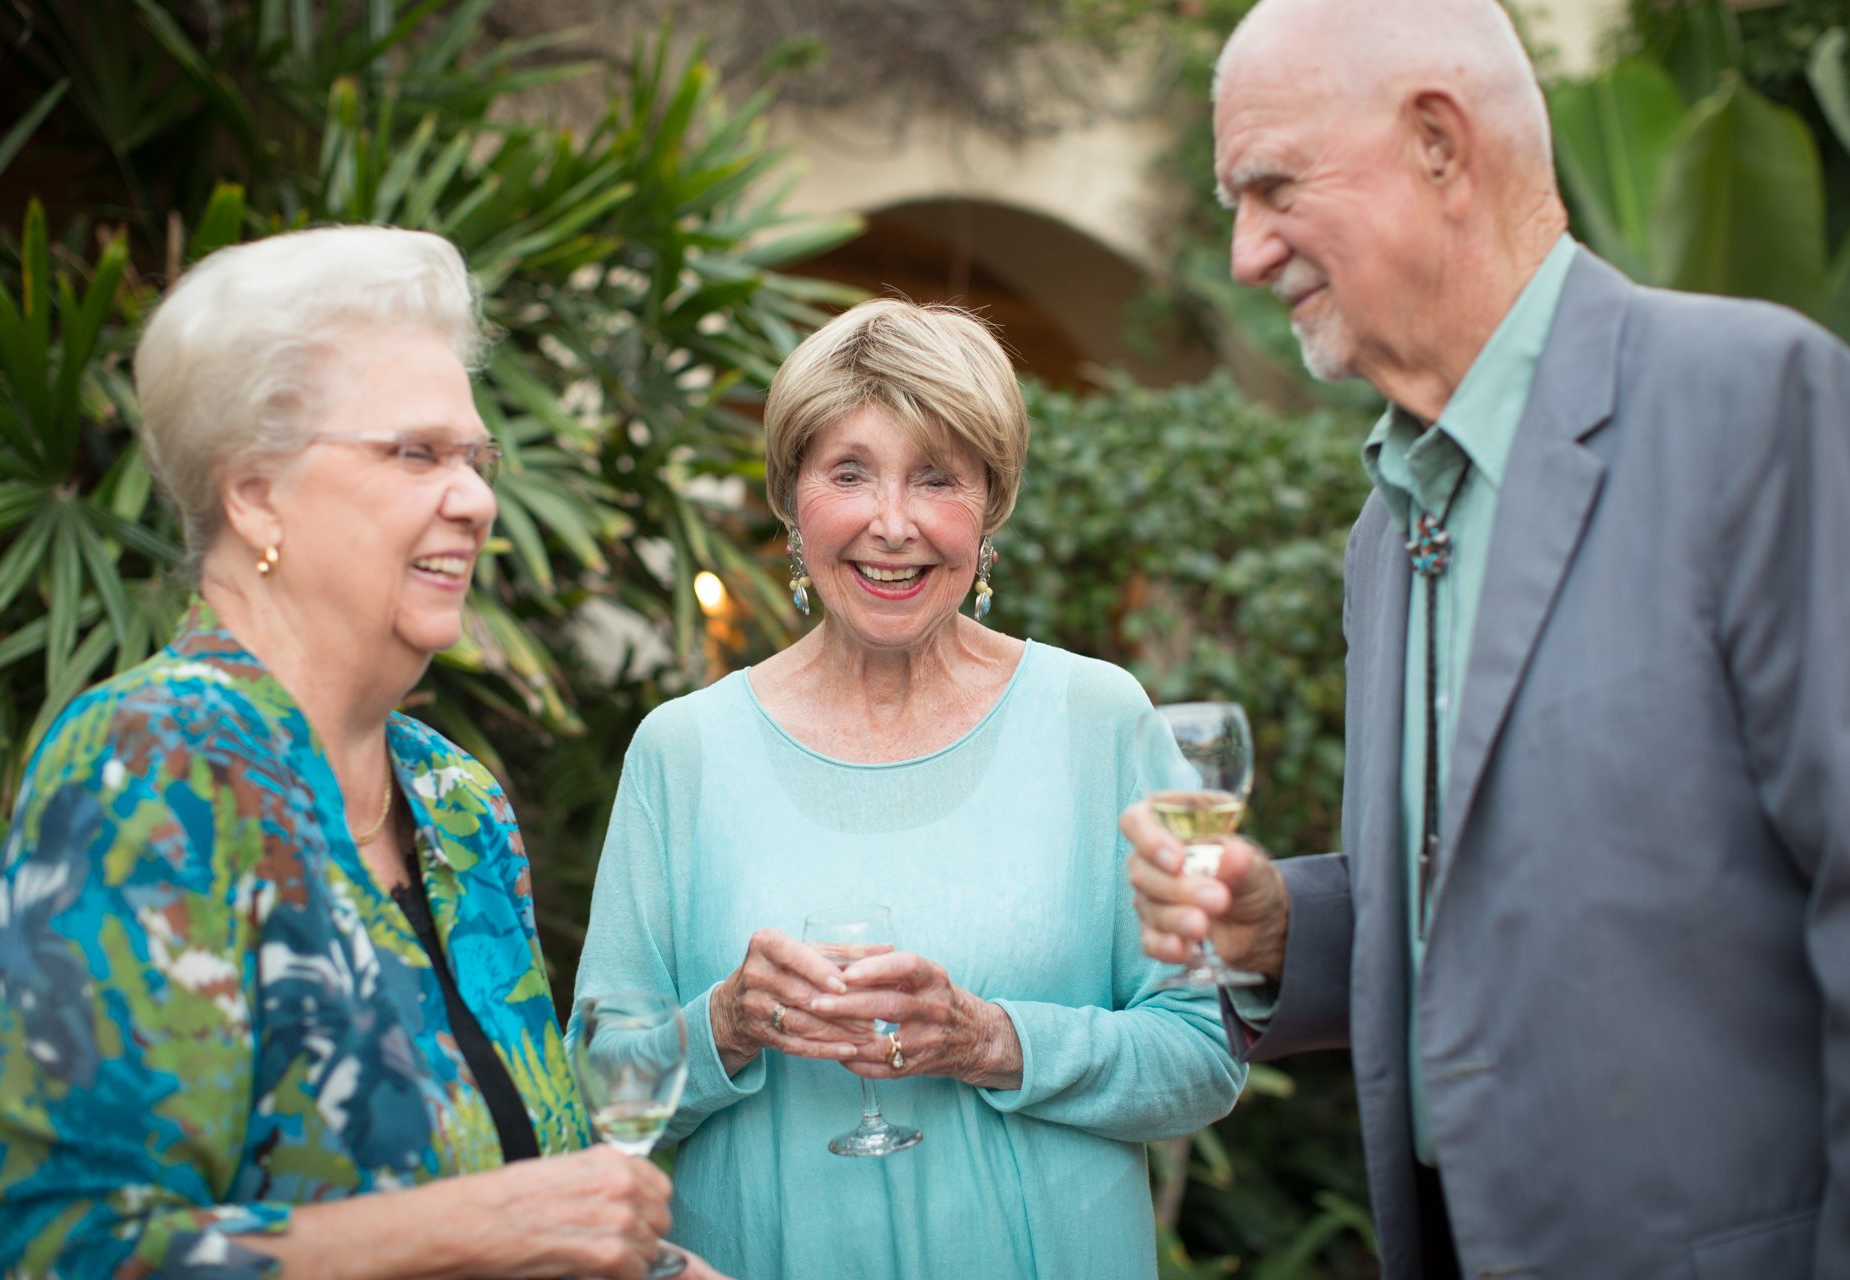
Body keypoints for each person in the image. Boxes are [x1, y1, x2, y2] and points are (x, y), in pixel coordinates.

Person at [1121, 0, 1850, 1275]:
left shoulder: (1753, 403)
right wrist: (1282, 926)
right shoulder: (1386, 521)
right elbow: (1493, 892)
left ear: (1441, 145)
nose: (1243, 254)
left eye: (1272, 185)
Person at [0, 226, 724, 1280]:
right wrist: (478, 1228)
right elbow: (60, 1248)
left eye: (477, 458)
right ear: (254, 491)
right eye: (417, 452)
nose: (479, 498)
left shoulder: (454, 800)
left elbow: (538, 1177)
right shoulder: (146, 769)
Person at [575, 298, 1245, 1278]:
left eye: (937, 477)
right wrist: (727, 1020)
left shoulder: (1101, 719)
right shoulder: (685, 751)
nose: (893, 524)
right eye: (850, 472)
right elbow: (593, 1094)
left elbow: (1203, 1060)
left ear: (991, 504)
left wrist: (988, 1038)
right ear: (791, 501)